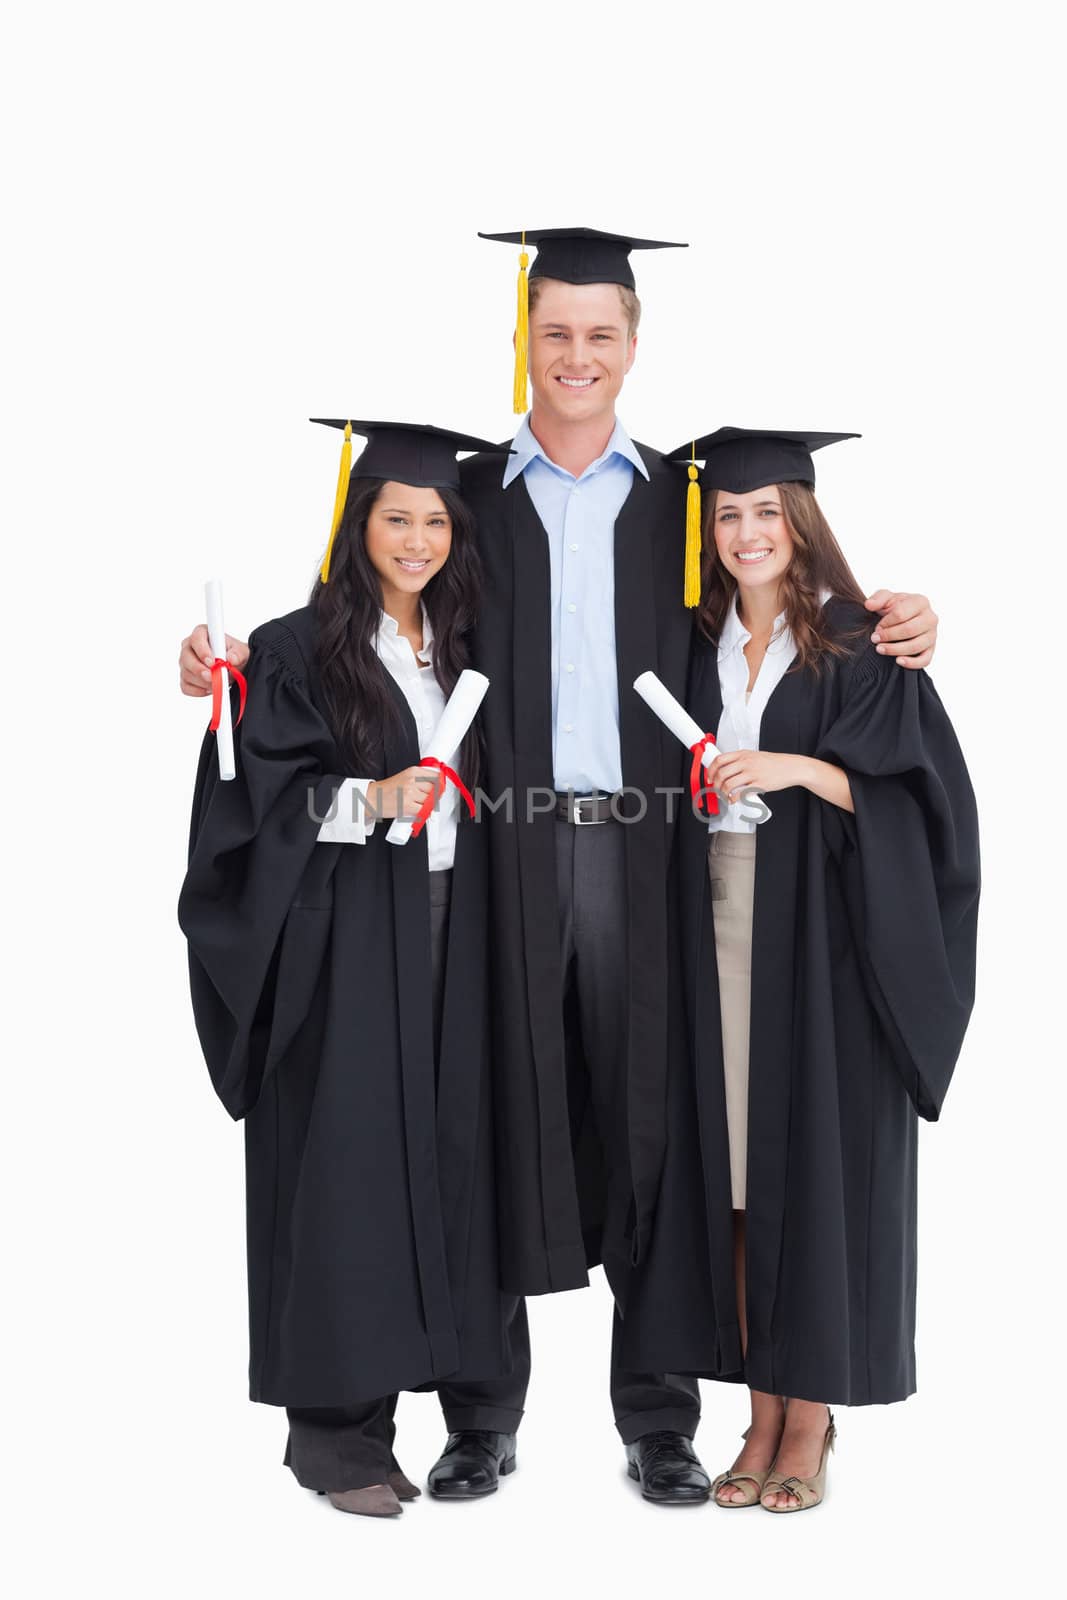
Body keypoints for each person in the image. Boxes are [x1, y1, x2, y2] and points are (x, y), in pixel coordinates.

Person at [179, 227, 943, 1503]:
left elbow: (779, 595)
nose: (575, 354)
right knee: (489, 1108)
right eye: (553, 331)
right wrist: (213, 661)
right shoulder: (466, 494)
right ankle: (483, 1413)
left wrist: (904, 617)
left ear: (635, 344)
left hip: (659, 853)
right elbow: (361, 619)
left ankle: (657, 1415)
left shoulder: (686, 503)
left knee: (660, 1117)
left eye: (600, 333)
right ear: (522, 337)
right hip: (495, 856)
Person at [616, 427, 979, 1512]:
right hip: (710, 929)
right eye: (726, 514)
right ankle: (756, 1403)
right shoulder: (690, 646)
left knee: (810, 1162)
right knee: (730, 1170)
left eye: (766, 511)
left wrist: (800, 769)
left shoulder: (862, 642)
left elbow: (925, 807)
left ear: (802, 521)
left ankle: (806, 1412)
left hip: (821, 941)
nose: (745, 532)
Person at [178, 421, 529, 1518]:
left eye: (434, 519)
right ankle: (340, 1436)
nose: (417, 539)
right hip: (343, 935)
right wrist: (367, 799)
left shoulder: (472, 643)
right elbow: (250, 809)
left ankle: (483, 1418)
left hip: (465, 925)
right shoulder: (290, 647)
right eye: (395, 517)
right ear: (358, 522)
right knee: (346, 1163)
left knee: (472, 1155)